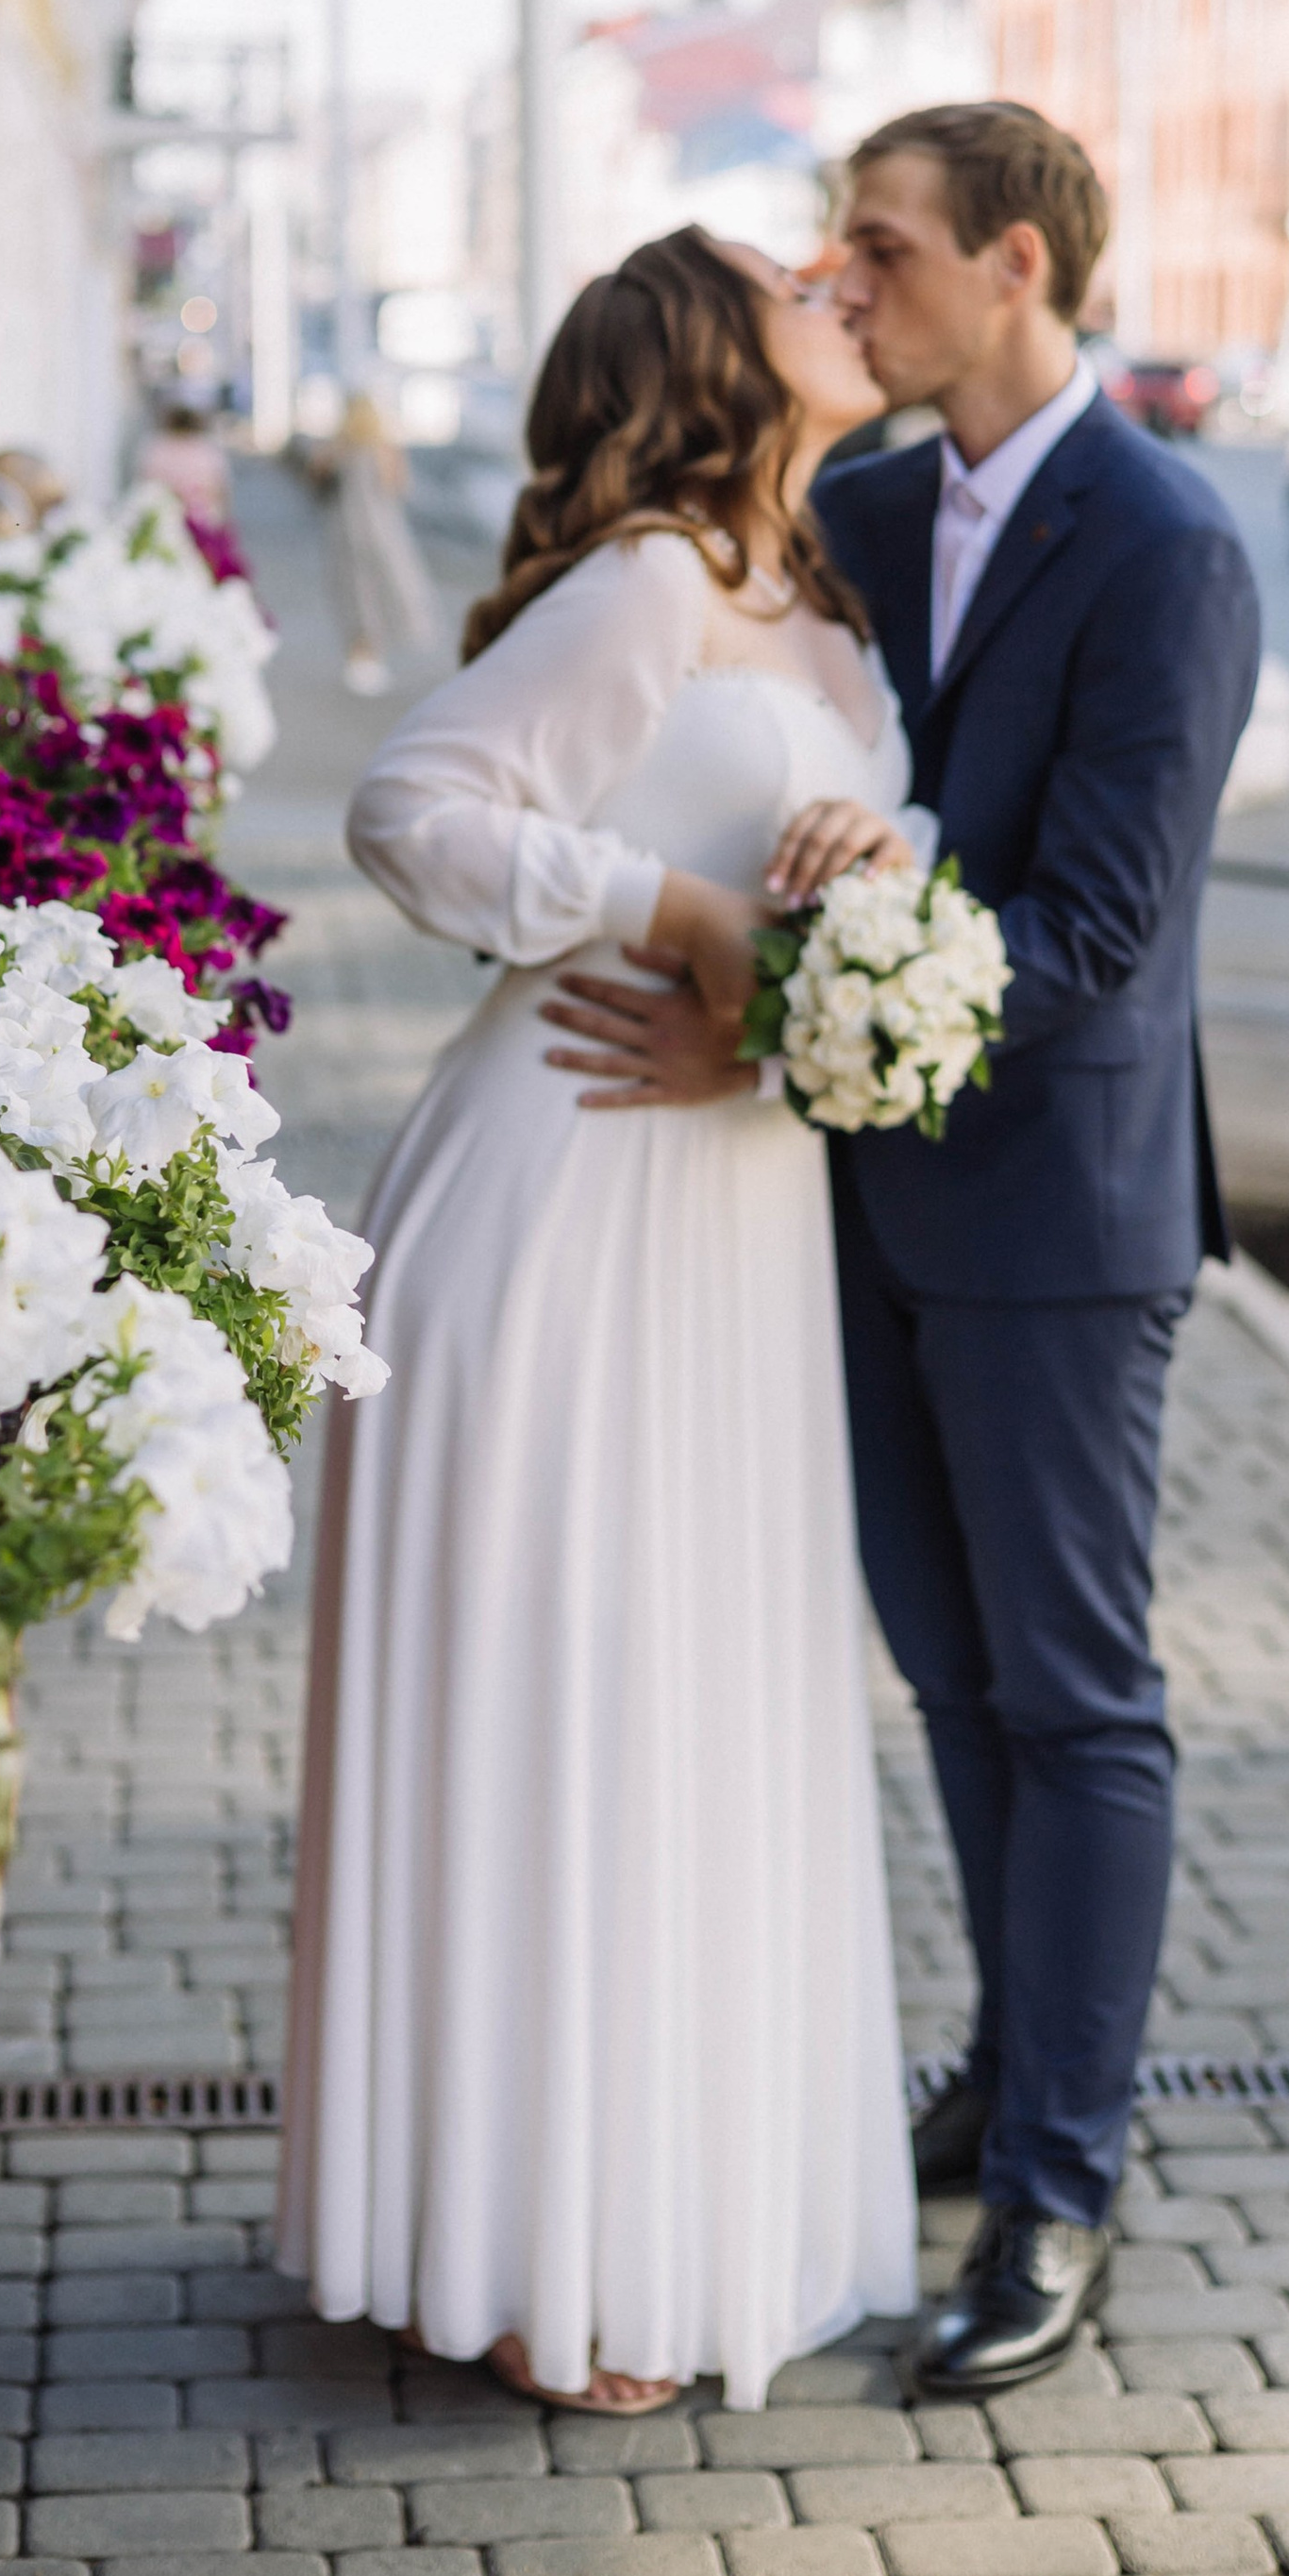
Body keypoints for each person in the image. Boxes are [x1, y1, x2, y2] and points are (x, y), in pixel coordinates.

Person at [557, 104, 1260, 2396]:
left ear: (1018, 263)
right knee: (949, 1675)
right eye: (836, 248)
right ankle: (1007, 2061)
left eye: (879, 247)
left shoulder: (1162, 543)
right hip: (838, 1192)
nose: (841, 283)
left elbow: (1100, 925)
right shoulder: (854, 504)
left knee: (1075, 1696)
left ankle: (1057, 2180)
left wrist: (830, 963)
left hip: (1053, 1207)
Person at [278, 227, 921, 2412]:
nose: (830, 272)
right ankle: (532, 2242)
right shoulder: (644, 575)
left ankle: (660, 2201)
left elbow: (808, 898)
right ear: (699, 348)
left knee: (703, 1714)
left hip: (729, 1208)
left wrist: (865, 865)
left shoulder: (818, 601)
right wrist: (670, 907)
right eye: (780, 266)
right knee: (577, 1711)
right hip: (559, 1207)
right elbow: (411, 809)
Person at [316, 385, 440, 698]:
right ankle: (373, 656)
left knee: (355, 591)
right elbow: (399, 486)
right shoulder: (384, 448)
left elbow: (316, 482)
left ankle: (360, 656)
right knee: (385, 587)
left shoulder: (338, 447)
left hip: (345, 527)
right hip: (383, 528)